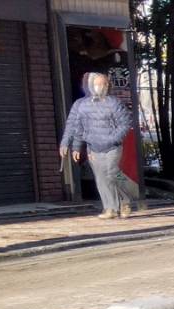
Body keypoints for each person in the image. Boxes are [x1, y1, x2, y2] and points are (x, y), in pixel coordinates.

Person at [60, 72, 142, 220]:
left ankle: (126, 198)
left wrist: (113, 139)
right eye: (97, 84)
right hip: (93, 148)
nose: (100, 87)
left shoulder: (114, 103)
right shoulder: (82, 105)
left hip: (112, 147)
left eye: (103, 84)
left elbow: (125, 123)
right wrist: (74, 146)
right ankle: (111, 208)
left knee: (112, 173)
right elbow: (77, 126)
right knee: (101, 179)